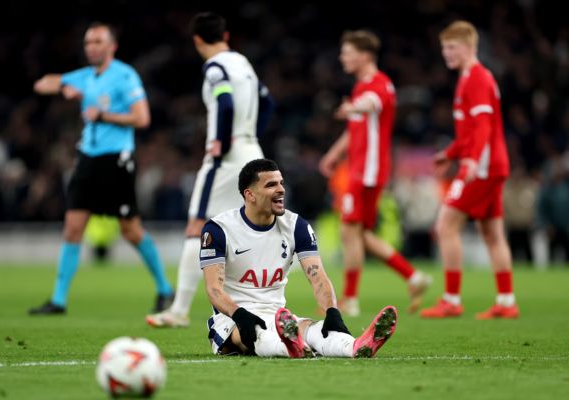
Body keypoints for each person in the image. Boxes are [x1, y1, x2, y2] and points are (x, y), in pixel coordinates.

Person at [28, 22, 174, 315]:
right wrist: (64, 87)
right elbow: (43, 83)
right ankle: (58, 300)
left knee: (131, 230)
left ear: (112, 46)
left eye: (97, 41)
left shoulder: (125, 76)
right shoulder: (85, 76)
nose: (91, 47)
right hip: (87, 159)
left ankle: (165, 288)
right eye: (88, 42)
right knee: (72, 228)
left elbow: (142, 118)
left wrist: (103, 115)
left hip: (116, 160)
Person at [146, 12, 274, 328]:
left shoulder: (215, 68)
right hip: (251, 149)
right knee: (247, 226)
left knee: (197, 226)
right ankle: (260, 304)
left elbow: (225, 103)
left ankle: (178, 311)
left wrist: (220, 140)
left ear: (197, 40)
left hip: (227, 156)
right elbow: (268, 101)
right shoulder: (243, 63)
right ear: (226, 36)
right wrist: (250, 134)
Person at [200, 158, 398, 358]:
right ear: (249, 194)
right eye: (271, 185)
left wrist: (332, 312)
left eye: (281, 183)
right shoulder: (219, 229)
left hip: (278, 316)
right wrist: (239, 314)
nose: (281, 190)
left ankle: (354, 347)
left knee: (314, 330)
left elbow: (317, 277)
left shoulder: (296, 226)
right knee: (256, 335)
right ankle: (289, 347)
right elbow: (213, 289)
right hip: (232, 319)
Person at [319, 30, 431, 316]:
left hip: (365, 172)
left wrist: (353, 107)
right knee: (361, 233)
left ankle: (350, 299)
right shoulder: (362, 86)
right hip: (363, 169)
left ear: (365, 55)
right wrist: (334, 154)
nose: (342, 57)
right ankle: (413, 277)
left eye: (347, 52)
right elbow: (356, 125)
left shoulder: (379, 86)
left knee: (349, 231)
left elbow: (370, 105)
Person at [420, 21, 519, 319]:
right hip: (492, 164)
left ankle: (451, 299)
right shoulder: (470, 78)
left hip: (484, 166)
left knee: (445, 225)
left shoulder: (476, 78)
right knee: (492, 233)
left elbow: (483, 127)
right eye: (444, 48)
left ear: (470, 47)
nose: (446, 54)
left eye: (452, 47)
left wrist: (472, 160)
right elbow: (468, 133)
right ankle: (506, 301)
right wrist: (450, 154)